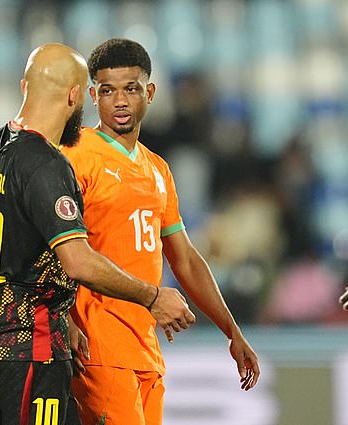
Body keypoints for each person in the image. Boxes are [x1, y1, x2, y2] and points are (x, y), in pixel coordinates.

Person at [0, 43, 196, 425]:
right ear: (74, 96)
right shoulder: (48, 167)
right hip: (29, 339)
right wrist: (152, 296)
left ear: (24, 87)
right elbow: (78, 261)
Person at [60, 38, 260, 425]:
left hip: (145, 347)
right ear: (93, 96)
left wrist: (231, 331)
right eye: (108, 91)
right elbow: (47, 245)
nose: (120, 101)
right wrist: (64, 319)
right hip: (97, 343)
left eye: (131, 89)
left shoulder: (157, 169)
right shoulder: (73, 156)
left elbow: (184, 258)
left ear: (149, 93)